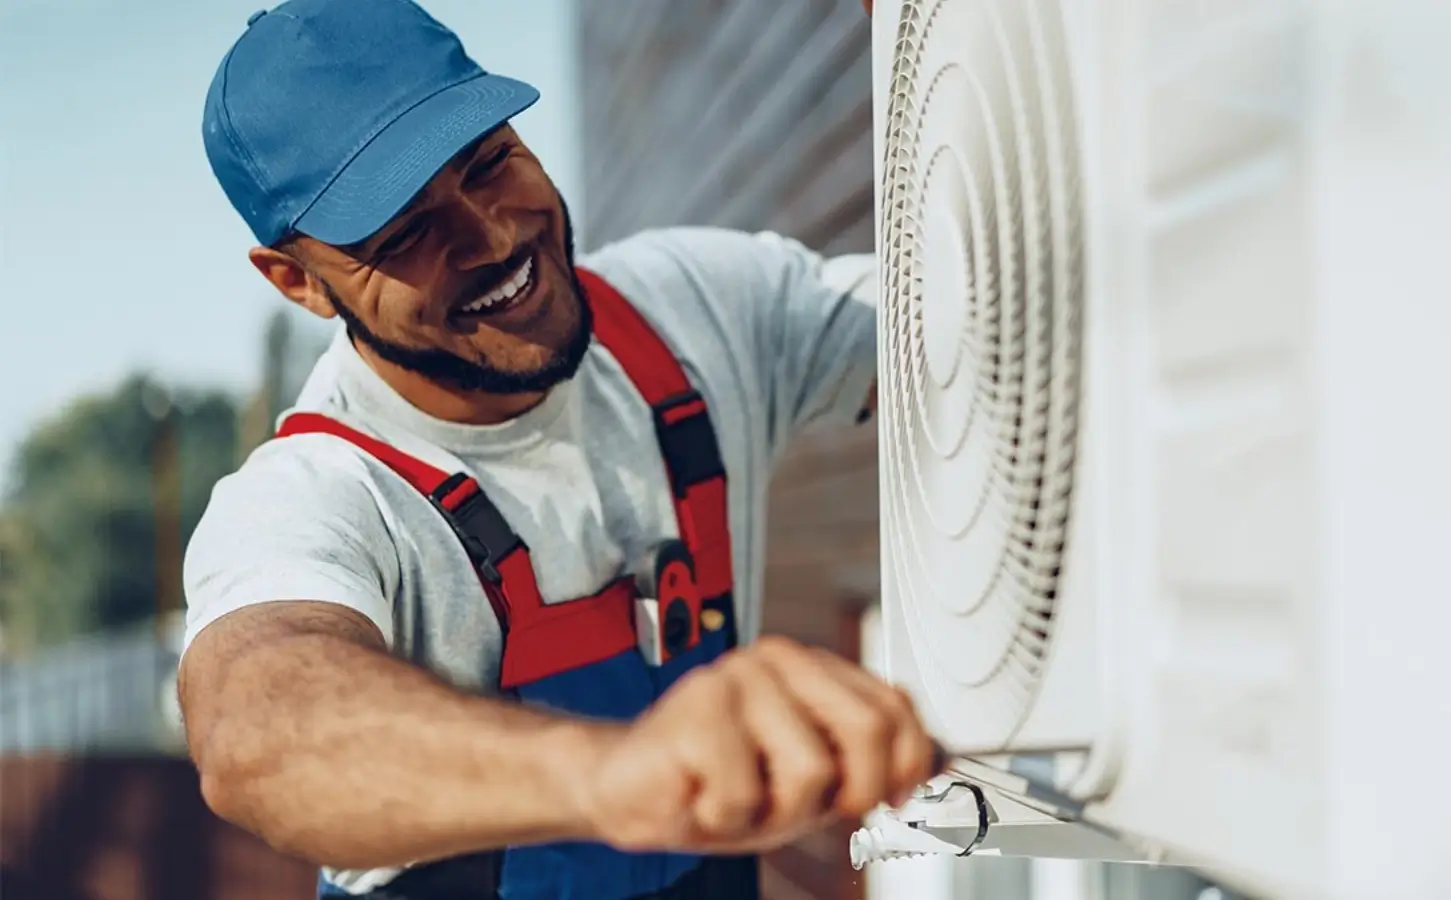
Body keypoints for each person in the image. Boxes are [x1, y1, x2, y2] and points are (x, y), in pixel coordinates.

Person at [178, 0, 936, 898]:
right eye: (406, 233)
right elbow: (258, 731)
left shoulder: (696, 311)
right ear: (297, 280)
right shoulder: (319, 496)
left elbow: (986, 333)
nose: (494, 236)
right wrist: (613, 774)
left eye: (490, 162)